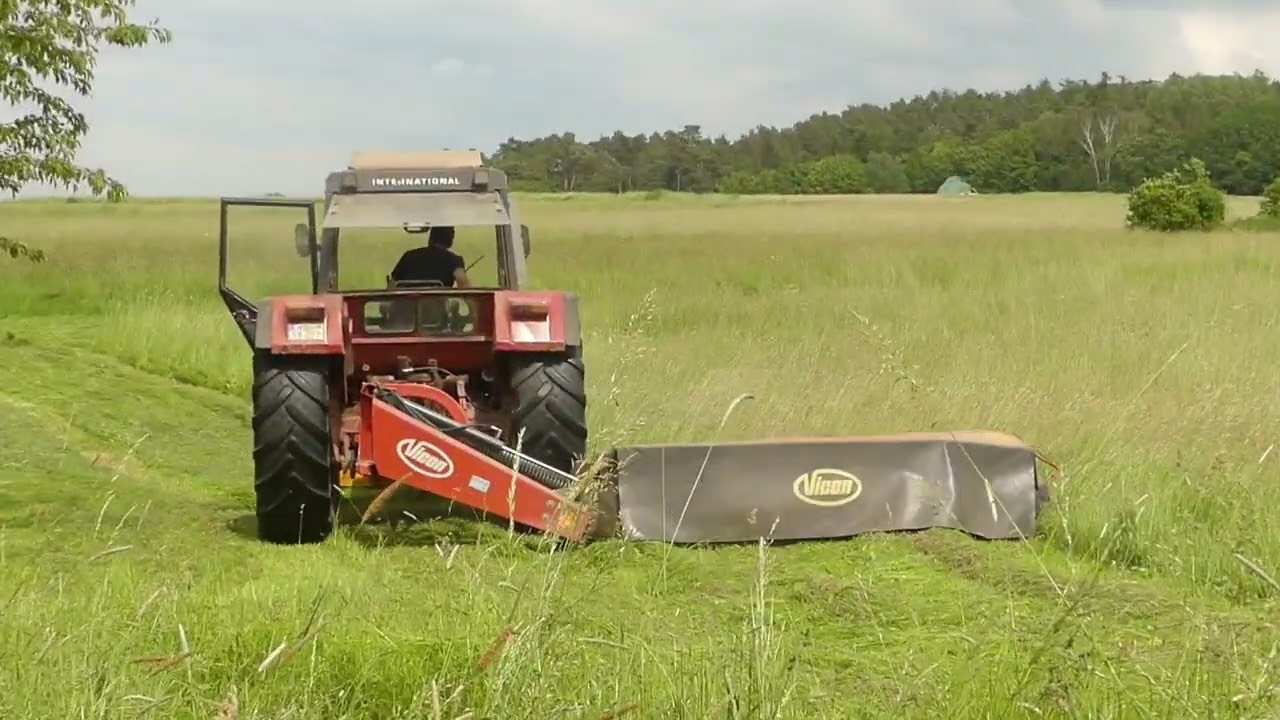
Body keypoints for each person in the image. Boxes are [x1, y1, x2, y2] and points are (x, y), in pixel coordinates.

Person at [388, 225, 472, 288]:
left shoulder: (408, 256)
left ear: (431, 237)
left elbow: (391, 287)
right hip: (436, 306)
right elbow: (464, 286)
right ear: (450, 238)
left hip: (405, 305)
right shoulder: (454, 260)